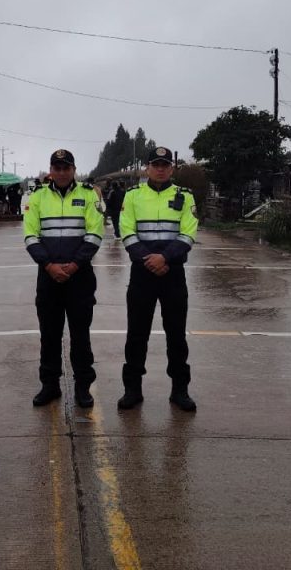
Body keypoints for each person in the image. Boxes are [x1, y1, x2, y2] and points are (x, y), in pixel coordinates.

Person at [117, 147, 199, 412]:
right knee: (136, 334)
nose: (160, 169)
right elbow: (126, 231)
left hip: (173, 273)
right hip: (142, 274)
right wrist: (149, 259)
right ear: (147, 167)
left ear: (172, 168)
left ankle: (180, 389)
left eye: (165, 164)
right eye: (156, 164)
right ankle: (132, 389)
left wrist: (165, 258)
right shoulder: (132, 196)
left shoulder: (184, 197)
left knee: (176, 335)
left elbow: (188, 233)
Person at [24, 149, 104, 408]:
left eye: (66, 167)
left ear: (73, 169)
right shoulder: (36, 197)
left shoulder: (88, 194)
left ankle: (83, 387)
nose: (61, 172)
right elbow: (30, 235)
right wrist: (49, 265)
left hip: (79, 278)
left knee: (80, 335)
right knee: (49, 335)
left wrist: (73, 265)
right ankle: (50, 386)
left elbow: (95, 234)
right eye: (57, 168)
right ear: (50, 170)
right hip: (48, 278)